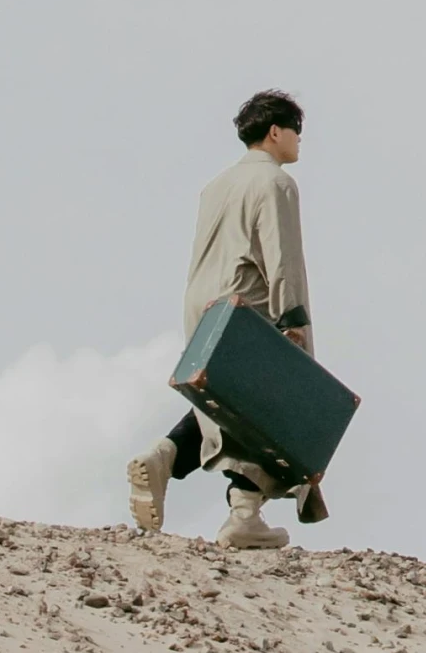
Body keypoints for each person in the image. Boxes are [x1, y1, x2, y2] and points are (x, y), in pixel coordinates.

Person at [127, 89, 316, 550]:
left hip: (204, 305)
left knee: (232, 406)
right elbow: (282, 255)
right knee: (281, 405)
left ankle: (167, 457)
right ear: (276, 131)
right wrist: (292, 318)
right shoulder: (275, 183)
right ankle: (243, 514)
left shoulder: (216, 184)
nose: (299, 142)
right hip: (249, 302)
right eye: (297, 132)